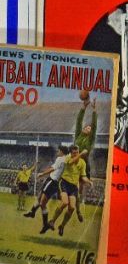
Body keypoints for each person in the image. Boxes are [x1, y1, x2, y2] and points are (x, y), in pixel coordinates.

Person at [43, 145, 91, 236]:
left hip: (73, 187)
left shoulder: (82, 163)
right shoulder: (68, 159)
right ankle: (52, 221)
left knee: (72, 208)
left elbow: (83, 176)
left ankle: (62, 226)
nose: (75, 154)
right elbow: (71, 162)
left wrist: (88, 181)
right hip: (64, 183)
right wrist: (81, 154)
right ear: (70, 153)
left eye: (77, 152)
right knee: (65, 202)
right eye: (74, 153)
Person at [24, 146, 68, 232]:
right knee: (40, 197)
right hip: (54, 181)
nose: (58, 152)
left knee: (42, 203)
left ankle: (45, 224)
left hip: (52, 181)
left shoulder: (61, 159)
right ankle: (32, 212)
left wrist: (42, 174)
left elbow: (52, 168)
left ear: (62, 152)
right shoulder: (66, 159)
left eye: (59, 150)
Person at [74, 92, 97, 222]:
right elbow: (78, 121)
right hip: (74, 163)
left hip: (84, 164)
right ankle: (76, 207)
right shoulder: (78, 135)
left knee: (80, 188)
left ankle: (79, 210)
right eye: (86, 127)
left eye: (89, 128)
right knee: (74, 187)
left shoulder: (90, 139)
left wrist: (94, 110)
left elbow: (94, 126)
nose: (87, 128)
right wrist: (84, 107)